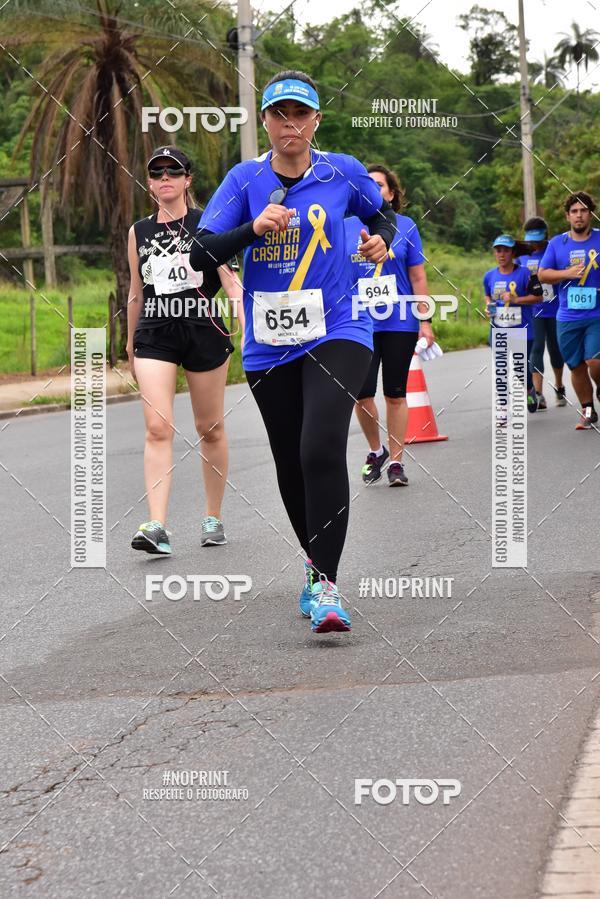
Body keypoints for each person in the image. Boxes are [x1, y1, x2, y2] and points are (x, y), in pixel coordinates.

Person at [189, 70, 397, 633]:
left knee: (320, 444)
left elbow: (382, 214)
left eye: (300, 114)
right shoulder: (243, 179)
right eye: (280, 114)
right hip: (270, 344)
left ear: (315, 122)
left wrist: (384, 239)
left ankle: (327, 588)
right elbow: (201, 254)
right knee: (289, 463)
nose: (290, 124)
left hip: (339, 326)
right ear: (264, 122)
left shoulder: (343, 170)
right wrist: (253, 228)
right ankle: (314, 566)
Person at [126, 146, 241, 554]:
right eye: (156, 173)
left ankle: (214, 517)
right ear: (150, 182)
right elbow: (136, 292)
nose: (164, 179)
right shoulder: (138, 231)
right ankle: (157, 525)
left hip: (203, 328)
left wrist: (243, 315)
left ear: (187, 179)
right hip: (155, 332)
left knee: (209, 428)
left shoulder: (209, 224)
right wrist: (129, 340)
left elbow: (230, 281)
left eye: (173, 172)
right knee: (158, 428)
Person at [345, 164, 435, 487]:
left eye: (380, 185)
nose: (373, 189)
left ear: (391, 194)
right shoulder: (345, 226)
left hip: (399, 320)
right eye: (367, 185)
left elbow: (417, 276)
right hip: (358, 321)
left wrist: (425, 319)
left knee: (395, 392)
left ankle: (396, 460)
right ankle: (375, 450)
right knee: (361, 392)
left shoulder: (407, 227)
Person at [538, 192, 600, 429]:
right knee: (575, 365)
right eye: (574, 211)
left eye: (583, 210)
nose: (579, 215)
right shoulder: (557, 243)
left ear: (590, 213)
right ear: (567, 216)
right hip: (568, 316)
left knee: (595, 361)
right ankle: (588, 409)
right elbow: (543, 274)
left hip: (597, 315)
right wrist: (566, 273)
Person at [484, 235, 541, 412]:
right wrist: (488, 306)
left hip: (522, 329)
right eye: (498, 250)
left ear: (513, 252)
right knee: (500, 368)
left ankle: (530, 389)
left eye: (506, 250)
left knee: (520, 368)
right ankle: (503, 407)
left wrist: (517, 299)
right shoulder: (489, 276)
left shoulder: (526, 273)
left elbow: (538, 297)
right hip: (498, 328)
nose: (501, 254)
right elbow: (488, 295)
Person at [516, 217, 566, 409]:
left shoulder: (553, 251)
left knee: (555, 350)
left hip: (555, 309)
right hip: (533, 311)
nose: (534, 243)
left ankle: (560, 386)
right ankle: (538, 393)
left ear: (546, 235)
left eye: (538, 239)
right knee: (536, 350)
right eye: (531, 239)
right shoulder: (521, 257)